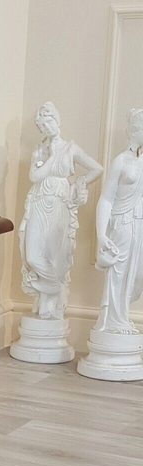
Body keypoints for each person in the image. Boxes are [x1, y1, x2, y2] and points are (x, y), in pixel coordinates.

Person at [19, 102, 104, 319]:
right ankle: (55, 288)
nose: (47, 128)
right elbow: (35, 177)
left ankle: (48, 299)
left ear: (57, 121)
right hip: (39, 201)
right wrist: (51, 157)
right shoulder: (39, 150)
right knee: (33, 256)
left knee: (55, 255)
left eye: (49, 122)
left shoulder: (70, 148)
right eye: (42, 125)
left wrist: (78, 183)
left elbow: (97, 168)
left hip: (60, 203)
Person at [94, 108, 143, 334]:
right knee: (119, 273)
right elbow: (106, 199)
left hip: (139, 225)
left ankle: (122, 317)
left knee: (135, 276)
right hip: (121, 223)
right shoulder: (121, 161)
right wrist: (101, 234)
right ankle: (113, 322)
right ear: (134, 131)